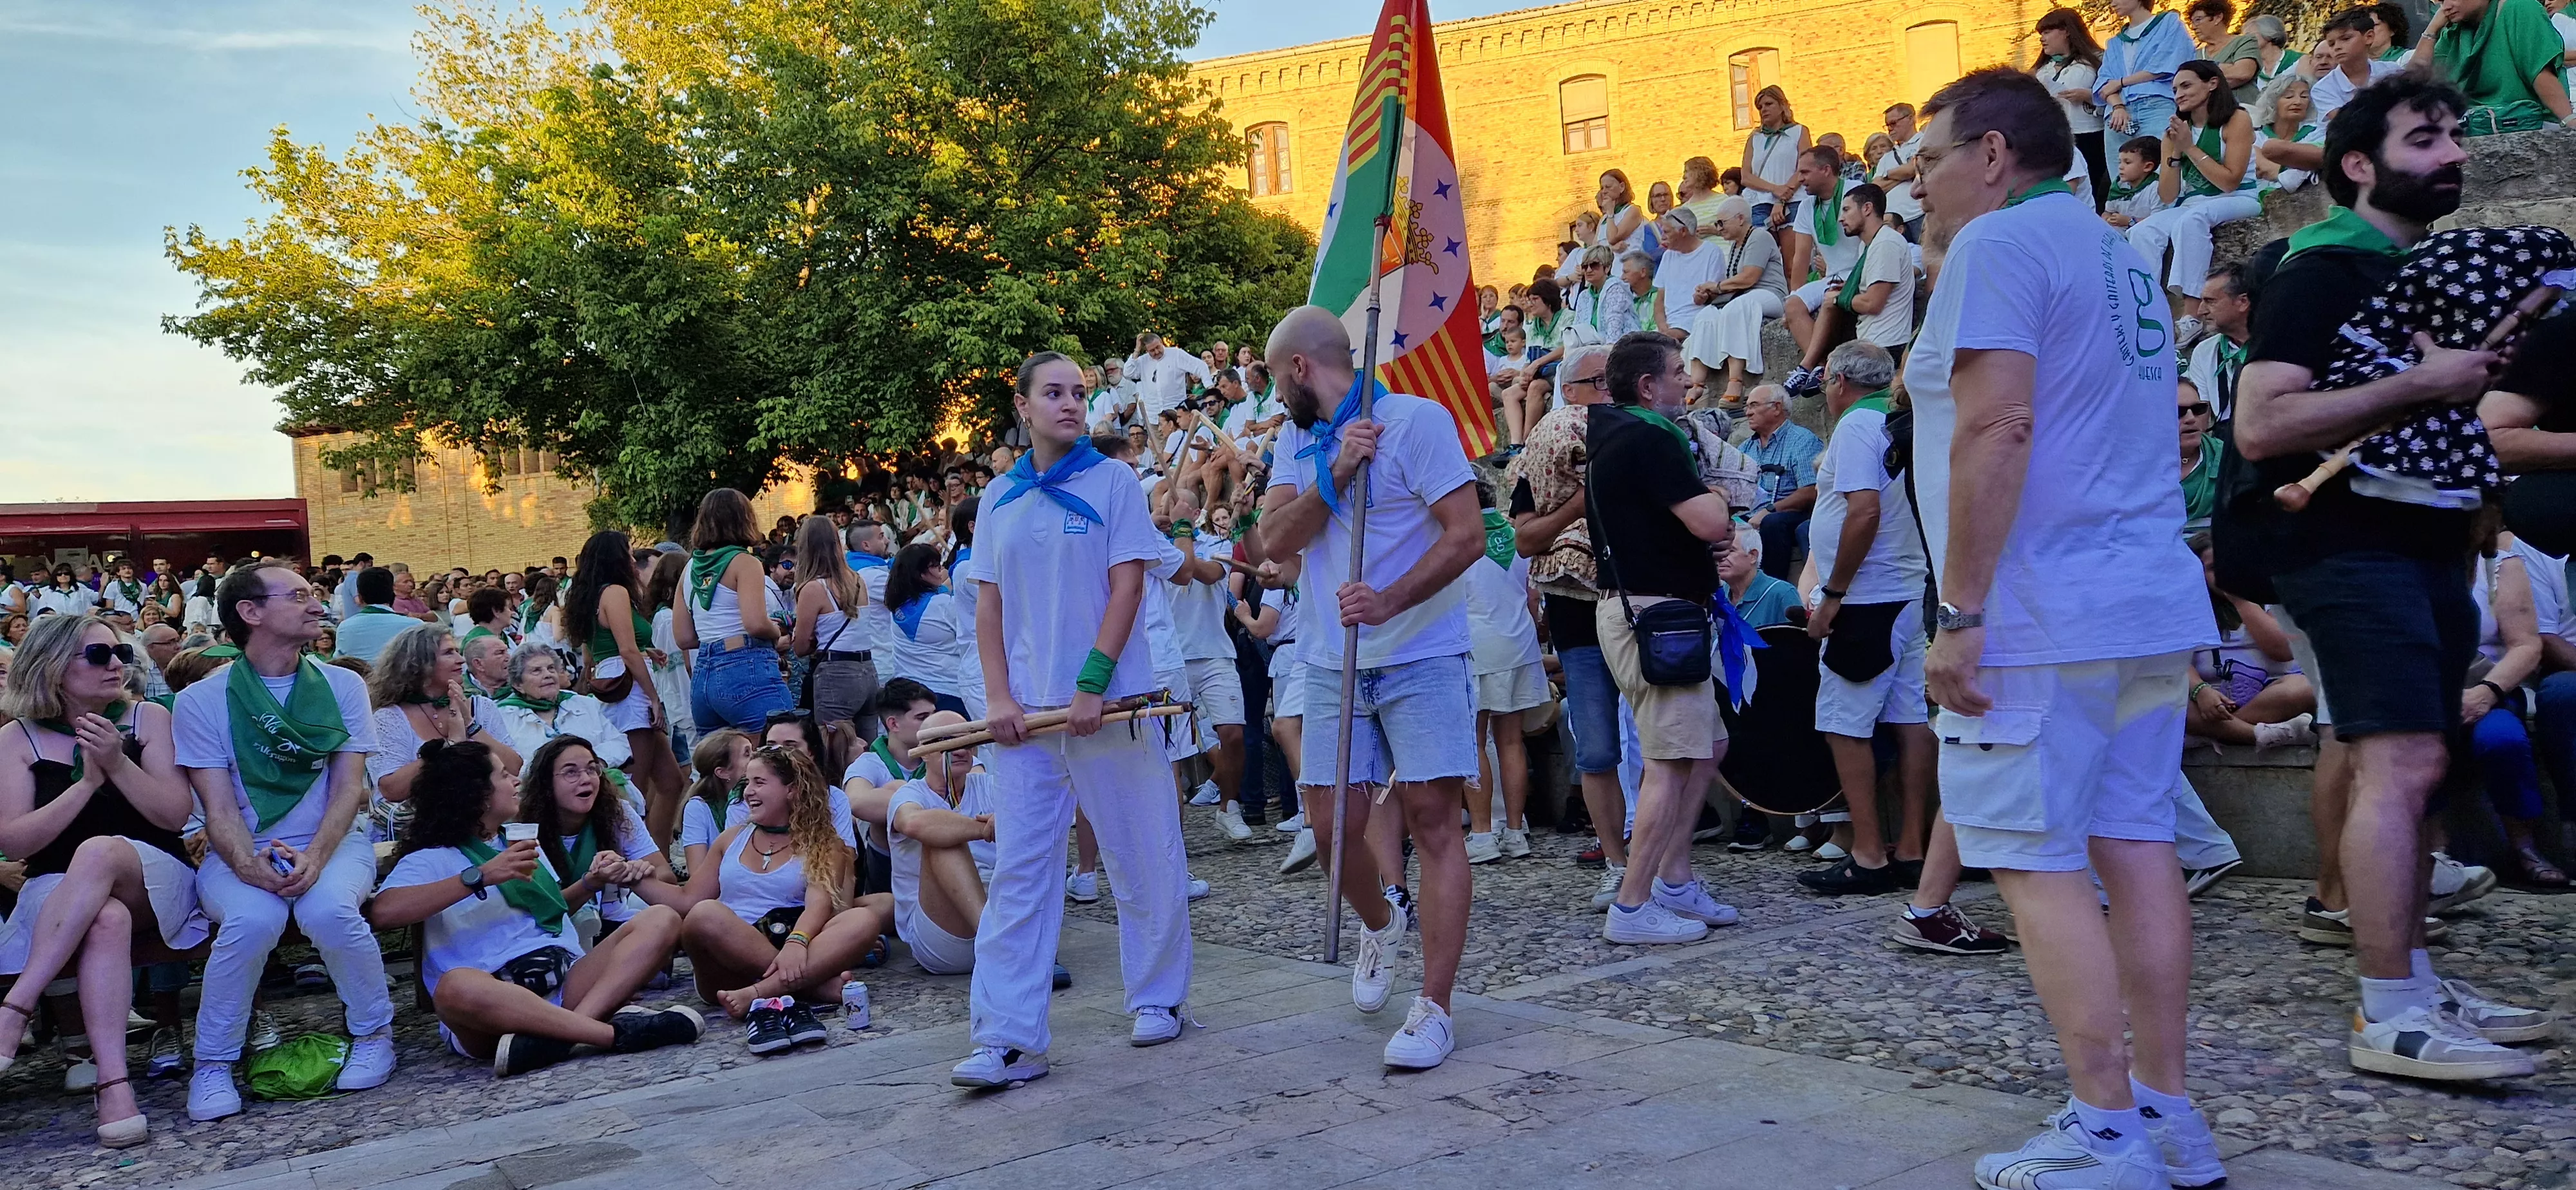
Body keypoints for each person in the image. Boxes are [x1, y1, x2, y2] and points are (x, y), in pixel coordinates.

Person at [1909, 66, 2228, 1188]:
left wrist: (1963, 612)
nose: (1920, 184)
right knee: (2135, 845)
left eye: (1930, 158)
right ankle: (2165, 1112)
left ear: (1994, 153)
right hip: (2138, 594)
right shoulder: (2118, 252)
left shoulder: (2002, 246)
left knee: (2035, 861)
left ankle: (2105, 1129)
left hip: (2041, 608)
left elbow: (1996, 424)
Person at [2222, 72, 2550, 1082]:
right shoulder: (2320, 270)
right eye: (2425, 138)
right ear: (2359, 165)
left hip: (2421, 544)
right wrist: (2426, 382)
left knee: (2421, 768)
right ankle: (2389, 1010)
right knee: (2399, 765)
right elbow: (2263, 424)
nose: (2454, 153)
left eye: (2456, 135)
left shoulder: (2419, 273)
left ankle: (2414, 979)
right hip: (2345, 551)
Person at [1249, 307, 1484, 1070]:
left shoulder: (1416, 421)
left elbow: (1467, 535)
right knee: (1328, 828)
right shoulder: (1299, 439)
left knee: (1433, 820)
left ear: (1296, 370)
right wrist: (1337, 471)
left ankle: (1435, 1007)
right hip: (1329, 660)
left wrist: (1389, 600)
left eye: (1271, 376)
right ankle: (1382, 922)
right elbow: (1273, 540)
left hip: (1421, 652)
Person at [954, 352, 1195, 1088]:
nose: (1069, 404)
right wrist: (998, 699)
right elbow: (988, 604)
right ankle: (1007, 1036)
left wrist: (1092, 685)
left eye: (1078, 393)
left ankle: (1157, 998)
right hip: (1025, 717)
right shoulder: (998, 496)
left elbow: (1126, 586)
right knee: (1022, 872)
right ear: (1021, 406)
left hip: (1108, 704)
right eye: (1052, 393)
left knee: (1139, 851)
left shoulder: (1114, 480)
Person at [175, 560, 395, 1122]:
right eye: (297, 595)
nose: (316, 602)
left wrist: (316, 858)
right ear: (250, 612)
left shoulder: (344, 685)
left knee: (329, 912)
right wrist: (250, 866)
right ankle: (214, 1065)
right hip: (241, 849)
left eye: (312, 593)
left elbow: (350, 789)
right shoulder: (202, 700)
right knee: (251, 921)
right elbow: (217, 808)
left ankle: (374, 1035)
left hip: (334, 842)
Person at [368, 738, 699, 1076]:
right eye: (503, 776)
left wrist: (591, 883)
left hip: (565, 981)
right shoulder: (432, 857)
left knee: (661, 918)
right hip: (496, 1006)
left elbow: (552, 912)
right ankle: (609, 1034)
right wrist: (480, 876)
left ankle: (564, 1034)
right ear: (477, 794)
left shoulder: (517, 839)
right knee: (454, 988)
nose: (516, 781)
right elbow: (384, 913)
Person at [0, 614, 205, 1147]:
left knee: (100, 852)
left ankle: (15, 1007)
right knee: (104, 918)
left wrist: (116, 764)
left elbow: (172, 816)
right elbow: (18, 843)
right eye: (97, 655)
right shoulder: (16, 738)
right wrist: (86, 784)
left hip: (154, 879)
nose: (116, 663)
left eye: (119, 652)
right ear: (53, 667)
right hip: (57, 887)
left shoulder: (148, 719)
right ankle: (114, 1086)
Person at [1579, 330, 1743, 948]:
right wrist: (1722, 497)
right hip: (1657, 616)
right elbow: (1709, 521)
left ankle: (1674, 879)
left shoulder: (1616, 436)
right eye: (1677, 371)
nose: (1688, 380)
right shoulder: (1649, 436)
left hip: (1646, 610)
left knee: (1706, 747)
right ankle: (1634, 903)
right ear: (1648, 386)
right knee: (1672, 762)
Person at [1797, 342, 1932, 896]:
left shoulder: (1856, 427)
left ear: (1836, 380)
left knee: (1844, 725)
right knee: (1910, 719)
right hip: (1903, 587)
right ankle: (1915, 847)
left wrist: (1833, 592)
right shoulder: (1901, 420)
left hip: (1866, 596)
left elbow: (1864, 509)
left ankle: (1870, 853)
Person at [677, 744, 891, 1050]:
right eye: (746, 783)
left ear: (791, 790)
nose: (748, 792)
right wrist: (639, 879)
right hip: (727, 963)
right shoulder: (732, 837)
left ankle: (759, 993)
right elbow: (688, 901)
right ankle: (811, 987)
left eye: (759, 783)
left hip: (792, 944)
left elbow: (820, 904)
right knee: (704, 914)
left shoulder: (823, 843)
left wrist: (798, 941)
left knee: (863, 919)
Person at [563, 531, 686, 849]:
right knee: (635, 786)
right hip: (630, 691)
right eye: (628, 554)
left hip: (616, 680)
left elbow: (597, 652)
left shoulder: (588, 596)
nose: (633, 560)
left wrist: (646, 652)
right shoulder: (615, 592)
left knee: (671, 782)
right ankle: (632, 859)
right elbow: (627, 650)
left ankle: (658, 858)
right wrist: (655, 699)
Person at [852, 710, 996, 976]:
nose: (959, 750)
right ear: (924, 751)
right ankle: (1000, 944)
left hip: (996, 904)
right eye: (947, 742)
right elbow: (914, 824)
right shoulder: (910, 793)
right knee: (940, 838)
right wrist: (989, 829)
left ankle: (1009, 938)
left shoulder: (989, 785)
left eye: (965, 742)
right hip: (942, 937)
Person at [2128, 59, 2260, 328]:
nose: (2179, 94)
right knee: (2142, 232)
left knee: (2192, 220)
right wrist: (2175, 153)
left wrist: (2190, 148)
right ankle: (2148, 312)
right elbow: (2167, 196)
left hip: (2239, 198)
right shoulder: (2173, 135)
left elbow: (2230, 182)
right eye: (2175, 89)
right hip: (2194, 203)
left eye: (2186, 85)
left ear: (2212, 84)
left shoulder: (2237, 119)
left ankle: (2191, 316)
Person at [520, 733, 680, 940]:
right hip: (552, 933)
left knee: (665, 921)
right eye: (571, 772)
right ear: (546, 783)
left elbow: (666, 875)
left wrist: (635, 873)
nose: (586, 779)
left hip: (613, 919)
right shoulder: (523, 830)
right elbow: (541, 912)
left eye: (592, 769)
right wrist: (591, 883)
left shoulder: (616, 811)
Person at [1463, 483, 1544, 864]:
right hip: (1520, 642)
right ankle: (1515, 831)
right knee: (1511, 741)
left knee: (1474, 742)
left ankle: (1481, 835)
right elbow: (1532, 598)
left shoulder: (1460, 538)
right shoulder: (1516, 536)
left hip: (1477, 646)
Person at [676, 489, 794, 732]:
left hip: (703, 678)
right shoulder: (745, 562)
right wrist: (775, 631)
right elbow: (755, 624)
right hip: (746, 668)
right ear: (745, 520)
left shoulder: (688, 570)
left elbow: (684, 637)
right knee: (780, 753)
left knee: (721, 766)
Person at [366, 623, 519, 806]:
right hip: (416, 827)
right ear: (420, 664)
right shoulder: (389, 718)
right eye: (449, 653)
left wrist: (471, 725)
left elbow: (513, 767)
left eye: (457, 651)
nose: (461, 659)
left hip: (480, 818)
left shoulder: (481, 707)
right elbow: (392, 790)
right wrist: (451, 745)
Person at [1678, 196, 1789, 404]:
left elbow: (1750, 277)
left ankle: (1736, 380)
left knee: (1737, 308)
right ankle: (1698, 385)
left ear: (1740, 219)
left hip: (1771, 296)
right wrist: (1708, 295)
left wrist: (1717, 287)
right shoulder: (1735, 246)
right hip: (1744, 298)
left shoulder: (1760, 237)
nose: (1718, 229)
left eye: (1721, 223)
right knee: (1707, 315)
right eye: (1716, 224)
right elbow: (1732, 285)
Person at [2421, 0, 2573, 131]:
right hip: (2475, 126)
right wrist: (2431, 30)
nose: (2445, 7)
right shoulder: (2455, 28)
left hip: (2527, 125)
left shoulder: (2519, 7)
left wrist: (2569, 120)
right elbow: (2415, 82)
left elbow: (2541, 73)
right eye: (2441, 2)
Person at [484, 643, 623, 777]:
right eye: (536, 671)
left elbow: (619, 743)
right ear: (518, 684)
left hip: (597, 781)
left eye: (551, 669)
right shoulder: (503, 716)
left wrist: (592, 764)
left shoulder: (583, 704)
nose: (548, 675)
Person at [1741, 387, 1824, 580]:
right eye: (1747, 407)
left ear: (1777, 408)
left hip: (1789, 514)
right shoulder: (1746, 447)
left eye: (1754, 405)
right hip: (1751, 514)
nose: (1747, 412)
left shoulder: (1802, 440)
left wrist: (1770, 510)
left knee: (1773, 522)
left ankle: (1772, 586)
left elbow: (1810, 492)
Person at [2037, 9, 2114, 209]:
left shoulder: (2096, 60)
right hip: (2059, 135)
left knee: (2096, 187)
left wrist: (2089, 96)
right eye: (2041, 34)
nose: (2043, 39)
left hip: (2091, 134)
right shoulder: (2042, 69)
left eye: (2047, 32)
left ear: (2066, 32)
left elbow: (2115, 94)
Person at [875, 543, 966, 701]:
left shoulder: (897, 604)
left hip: (910, 693)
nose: (941, 571)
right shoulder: (943, 605)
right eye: (937, 567)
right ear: (922, 574)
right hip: (948, 690)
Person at [2099, 0, 2198, 138]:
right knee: (2119, 160)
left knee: (2159, 158)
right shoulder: (2114, 42)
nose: (2113, 4)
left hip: (2156, 107)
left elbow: (2168, 65)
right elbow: (2105, 84)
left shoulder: (2169, 23)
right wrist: (2118, 106)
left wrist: (2121, 82)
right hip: (2117, 115)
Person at [676, 728, 750, 875]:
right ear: (723, 772)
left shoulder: (760, 798)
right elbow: (697, 873)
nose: (757, 758)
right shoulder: (697, 808)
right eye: (747, 754)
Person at [1738, 86, 1811, 227]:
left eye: (1769, 104)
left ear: (1782, 105)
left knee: (1793, 248)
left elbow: (1804, 167)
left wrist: (1781, 199)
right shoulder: (1754, 139)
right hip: (1760, 202)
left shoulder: (1799, 131)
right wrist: (1774, 189)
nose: (1764, 109)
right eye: (1760, 107)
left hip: (1794, 199)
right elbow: (1746, 177)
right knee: (1761, 246)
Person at [332, 567, 411, 664]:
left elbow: (338, 663)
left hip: (361, 678)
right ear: (393, 594)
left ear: (360, 598)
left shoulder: (345, 627)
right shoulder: (414, 626)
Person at [2192, 0, 2266, 103]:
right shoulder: (2195, 54)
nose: (2193, 27)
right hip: (2210, 115)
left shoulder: (2244, 41)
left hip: (2244, 110)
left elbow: (2243, 73)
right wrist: (2227, 69)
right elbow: (2191, 86)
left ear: (2218, 18)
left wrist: (2203, 76)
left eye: (2198, 20)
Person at [1875, 104, 1927, 241]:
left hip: (1920, 215)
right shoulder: (1888, 156)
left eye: (1893, 123)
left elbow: (1916, 166)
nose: (1890, 129)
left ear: (1911, 119)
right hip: (1893, 221)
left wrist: (1888, 174)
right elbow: (1876, 187)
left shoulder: (1924, 141)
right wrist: (1904, 175)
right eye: (1887, 125)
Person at [2103, 136, 2172, 230]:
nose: (2121, 167)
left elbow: (2158, 222)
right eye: (2120, 162)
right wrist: (2107, 219)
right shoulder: (2119, 186)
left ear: (2147, 167)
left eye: (2127, 163)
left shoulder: (2157, 189)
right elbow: (2108, 212)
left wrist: (2130, 222)